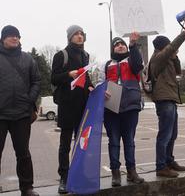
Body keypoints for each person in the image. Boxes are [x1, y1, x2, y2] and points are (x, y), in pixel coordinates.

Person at [51, 25, 93, 194]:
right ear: (70, 37)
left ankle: (79, 173)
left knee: (82, 142)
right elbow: (53, 78)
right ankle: (64, 177)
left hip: (84, 105)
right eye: (76, 34)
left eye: (81, 33)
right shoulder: (61, 55)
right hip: (67, 105)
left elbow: (86, 77)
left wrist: (91, 87)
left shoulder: (86, 55)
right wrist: (69, 74)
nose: (79, 36)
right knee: (65, 144)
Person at [149, 18, 185, 178]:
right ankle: (161, 166)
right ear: (163, 47)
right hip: (164, 99)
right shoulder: (158, 58)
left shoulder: (167, 59)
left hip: (171, 99)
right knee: (165, 135)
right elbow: (172, 46)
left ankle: (169, 161)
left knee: (172, 134)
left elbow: (178, 71)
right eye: (168, 47)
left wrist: (174, 57)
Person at [0, 25, 41, 196]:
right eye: (10, 36)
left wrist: (29, 100)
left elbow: (37, 81)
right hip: (0, 114)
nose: (15, 38)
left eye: (17, 36)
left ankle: (27, 188)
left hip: (22, 114)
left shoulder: (28, 59)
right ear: (3, 39)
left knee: (23, 153)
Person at [103, 32, 144, 187]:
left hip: (130, 106)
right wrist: (102, 92)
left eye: (123, 44)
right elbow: (101, 83)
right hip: (111, 107)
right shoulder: (107, 64)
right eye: (117, 45)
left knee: (129, 141)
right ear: (113, 49)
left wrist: (133, 45)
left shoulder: (133, 59)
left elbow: (138, 66)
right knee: (113, 141)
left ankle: (132, 172)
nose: (120, 46)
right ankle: (115, 173)